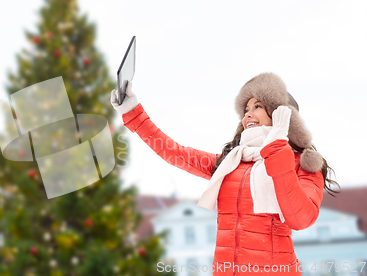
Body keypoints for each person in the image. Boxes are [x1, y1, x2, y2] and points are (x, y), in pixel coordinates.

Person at [110, 72, 338, 275]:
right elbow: (173, 152)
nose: (247, 115)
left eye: (257, 106)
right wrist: (132, 112)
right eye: (246, 110)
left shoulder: (302, 165)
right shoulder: (231, 162)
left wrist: (278, 147)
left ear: (281, 115)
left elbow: (301, 219)